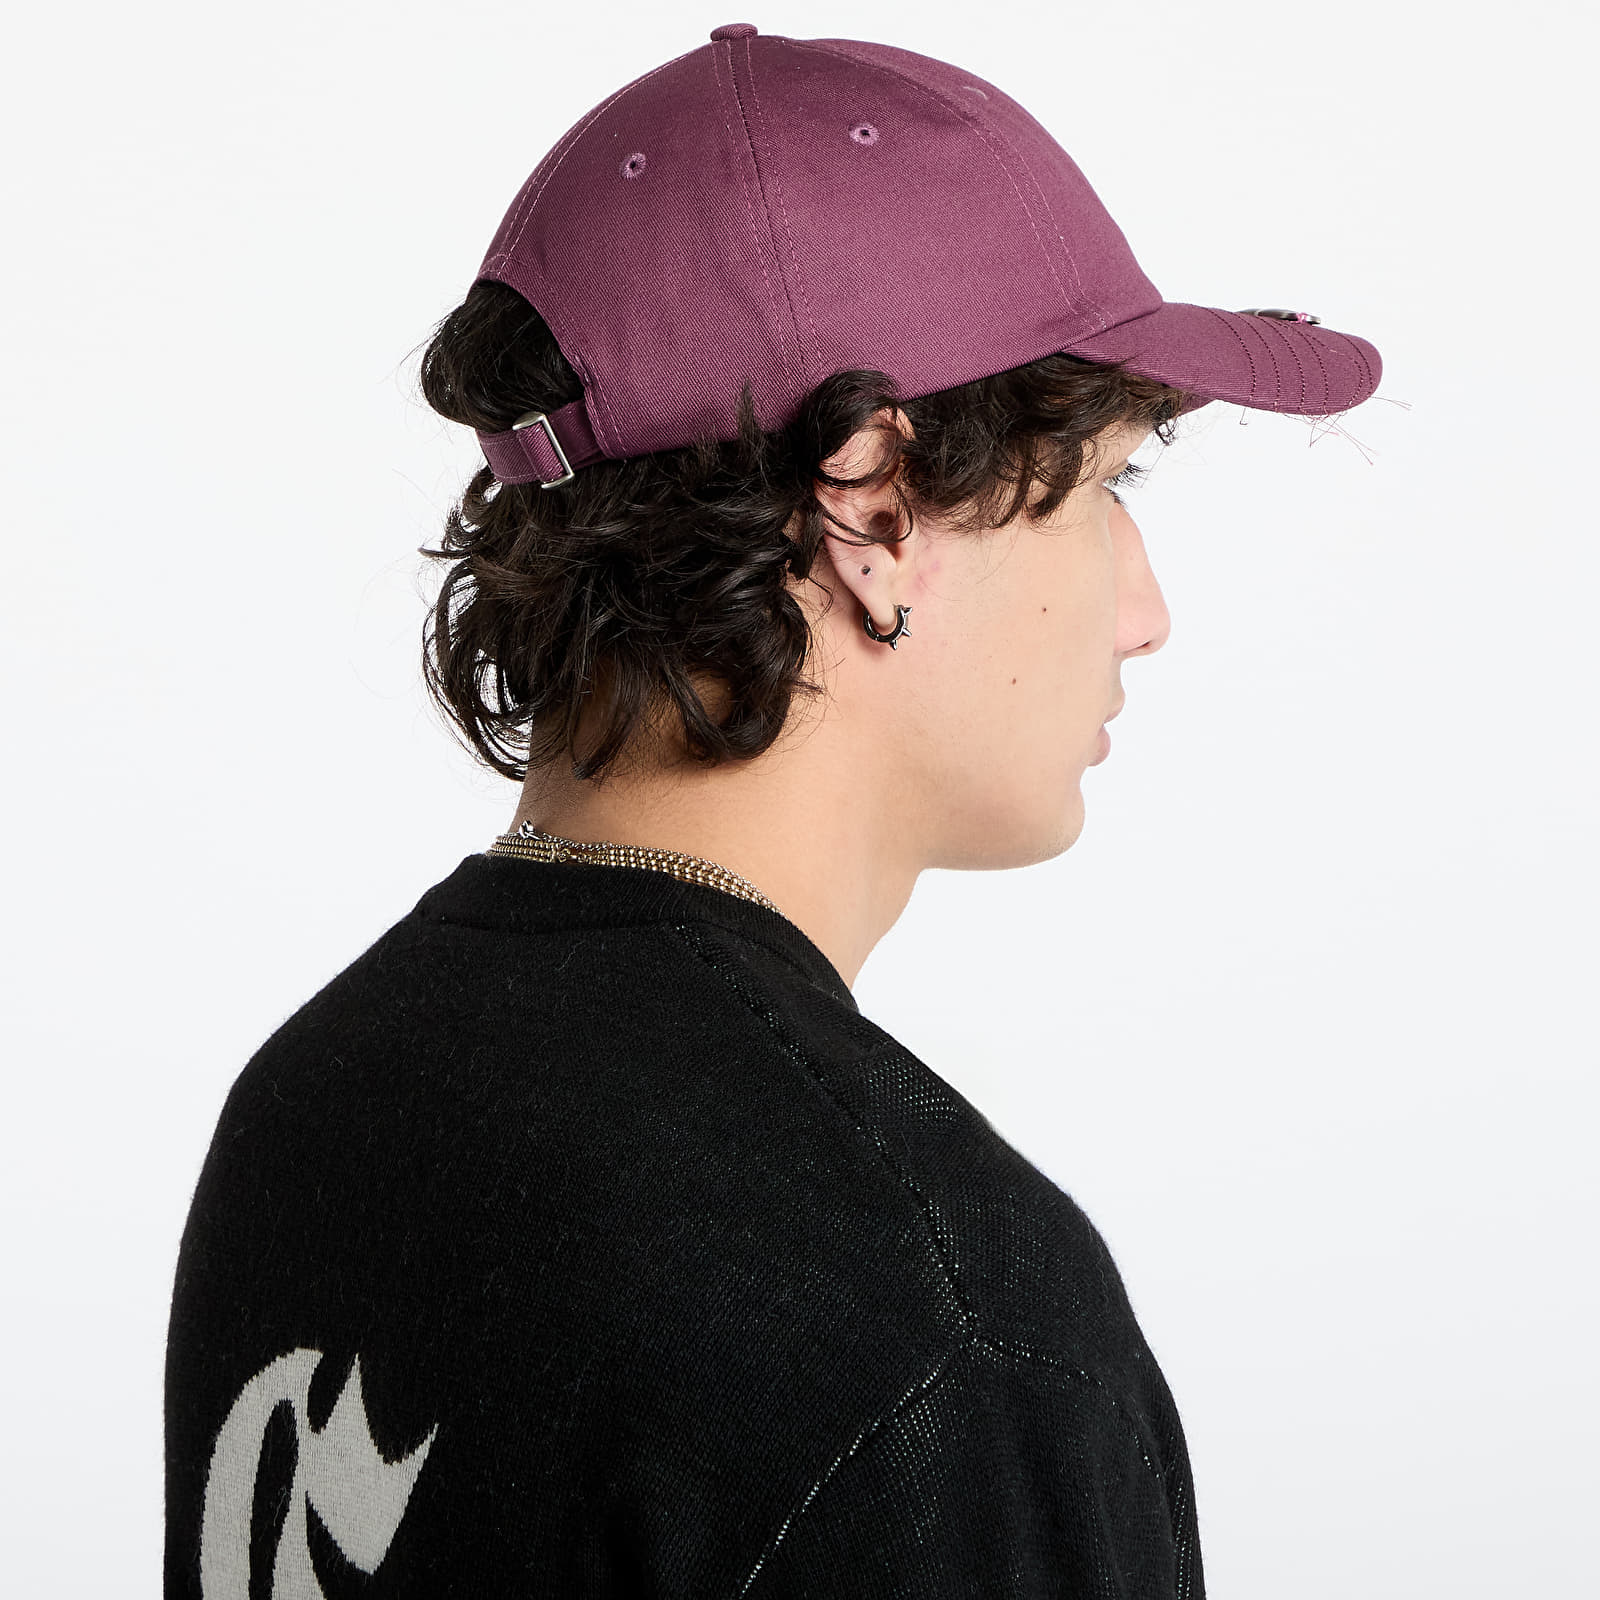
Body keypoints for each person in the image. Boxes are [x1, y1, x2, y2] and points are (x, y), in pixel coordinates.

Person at [164, 21, 1381, 1599]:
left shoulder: (319, 1103)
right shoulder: (932, 1319)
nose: (1146, 614)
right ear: (871, 504)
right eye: (1108, 487)